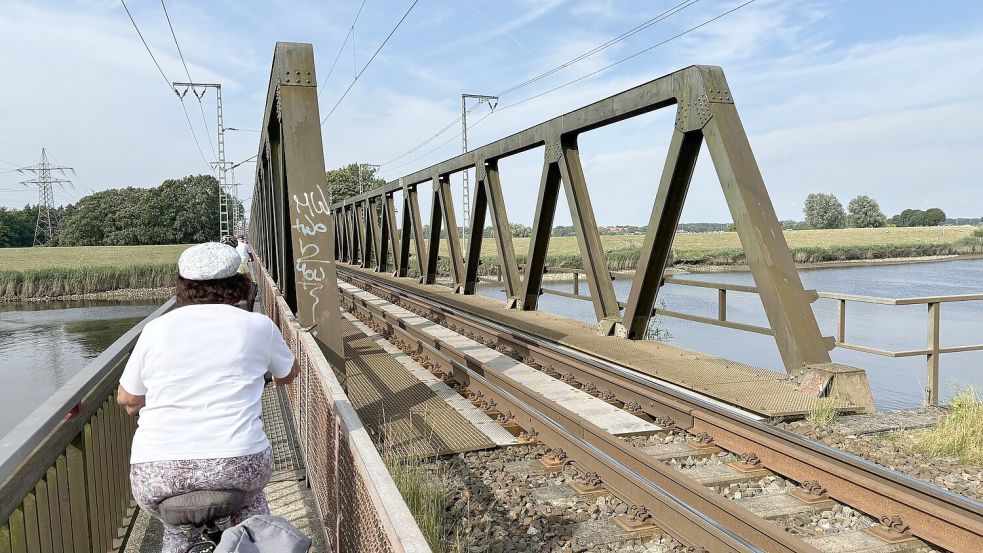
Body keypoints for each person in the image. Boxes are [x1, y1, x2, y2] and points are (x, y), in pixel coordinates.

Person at [117, 242, 297, 552]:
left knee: (176, 527)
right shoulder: (258, 325)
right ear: (238, 282)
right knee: (249, 512)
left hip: (159, 471)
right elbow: (288, 373)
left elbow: (128, 400)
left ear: (184, 286)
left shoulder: (156, 330)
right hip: (238, 463)